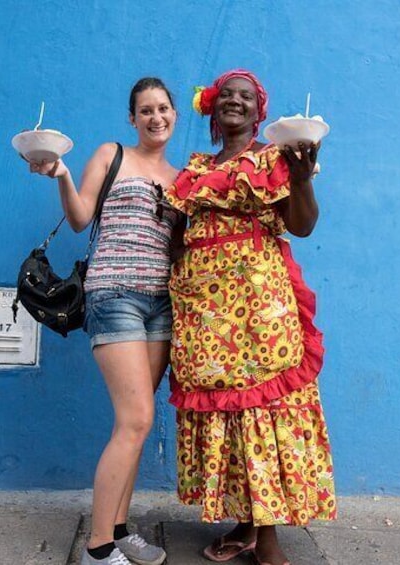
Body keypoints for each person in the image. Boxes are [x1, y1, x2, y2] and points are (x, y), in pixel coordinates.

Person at [164, 69, 336, 565]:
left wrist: (302, 181)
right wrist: (185, 267)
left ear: (259, 113)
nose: (234, 102)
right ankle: (245, 523)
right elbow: (177, 233)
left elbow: (302, 226)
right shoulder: (194, 170)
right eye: (227, 96)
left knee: (263, 404)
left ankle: (270, 539)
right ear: (213, 108)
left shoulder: (276, 160)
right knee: (230, 408)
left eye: (246, 97)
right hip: (205, 309)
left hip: (259, 303)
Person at [27, 77, 180, 565]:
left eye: (163, 108)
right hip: (114, 295)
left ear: (175, 114)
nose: (156, 117)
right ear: (132, 119)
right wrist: (60, 174)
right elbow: (78, 218)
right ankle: (97, 550)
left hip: (161, 303)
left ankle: (117, 528)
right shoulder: (112, 154)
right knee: (134, 420)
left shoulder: (181, 179)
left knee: (141, 419)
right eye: (145, 111)